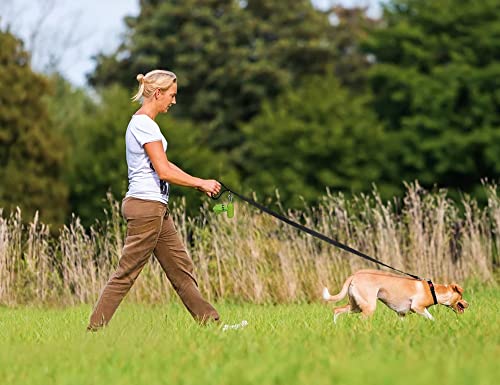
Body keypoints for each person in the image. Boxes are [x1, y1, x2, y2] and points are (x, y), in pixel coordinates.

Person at [87, 69, 221, 330]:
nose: (173, 101)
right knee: (126, 273)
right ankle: (93, 330)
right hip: (145, 208)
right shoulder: (143, 125)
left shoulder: (147, 124)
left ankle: (212, 324)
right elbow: (163, 171)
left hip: (156, 207)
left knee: (181, 268)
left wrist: (199, 184)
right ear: (158, 93)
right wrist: (200, 182)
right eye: (171, 95)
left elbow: (165, 164)